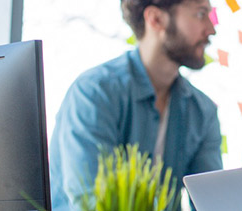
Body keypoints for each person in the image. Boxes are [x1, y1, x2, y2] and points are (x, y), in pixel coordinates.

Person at [48, 0, 220, 210]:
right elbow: (93, 201)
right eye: (201, 14)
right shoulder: (94, 92)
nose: (211, 30)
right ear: (156, 19)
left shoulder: (203, 111)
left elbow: (211, 203)